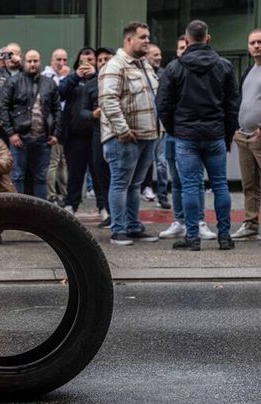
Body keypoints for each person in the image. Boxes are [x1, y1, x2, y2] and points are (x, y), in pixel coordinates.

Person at [157, 20, 239, 251]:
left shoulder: (175, 67)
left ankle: (192, 237)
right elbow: (233, 104)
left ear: (186, 40)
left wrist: (175, 129)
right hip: (215, 134)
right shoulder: (224, 66)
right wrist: (228, 133)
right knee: (221, 186)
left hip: (186, 135)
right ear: (208, 38)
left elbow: (163, 104)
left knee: (190, 186)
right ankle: (225, 236)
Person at [98, 22, 160, 246]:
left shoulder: (144, 65)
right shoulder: (115, 65)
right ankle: (119, 230)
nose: (147, 41)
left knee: (136, 184)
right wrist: (122, 131)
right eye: (142, 37)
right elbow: (108, 100)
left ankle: (133, 226)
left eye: (148, 37)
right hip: (125, 138)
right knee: (121, 183)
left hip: (147, 135)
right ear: (129, 40)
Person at [158, 35, 216, 241]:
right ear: (176, 50)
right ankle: (179, 221)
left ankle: (199, 221)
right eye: (180, 47)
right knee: (177, 181)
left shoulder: (200, 72)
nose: (184, 50)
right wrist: (171, 128)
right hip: (174, 134)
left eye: (186, 46)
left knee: (196, 180)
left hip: (192, 134)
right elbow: (163, 103)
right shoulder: (172, 71)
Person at [0, 49, 62, 200]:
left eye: (35, 61)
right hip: (20, 139)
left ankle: (41, 213)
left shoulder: (50, 83)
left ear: (41, 62)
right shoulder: (13, 81)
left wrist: (56, 134)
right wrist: (11, 133)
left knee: (41, 178)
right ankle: (17, 211)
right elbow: (3, 108)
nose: (32, 64)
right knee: (18, 176)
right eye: (29, 61)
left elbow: (57, 109)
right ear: (24, 62)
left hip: (43, 139)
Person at [57, 47, 97, 214]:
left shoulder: (101, 78)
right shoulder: (72, 79)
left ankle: (103, 207)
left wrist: (95, 75)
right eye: (82, 61)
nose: (86, 64)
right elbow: (59, 93)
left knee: (99, 174)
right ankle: (71, 204)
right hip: (74, 136)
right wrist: (75, 76)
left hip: (96, 134)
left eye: (90, 61)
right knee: (74, 173)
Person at [231, 29, 261, 241]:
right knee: (249, 184)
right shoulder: (249, 71)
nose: (256, 46)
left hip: (260, 135)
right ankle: (251, 224)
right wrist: (236, 128)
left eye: (260, 42)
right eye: (252, 43)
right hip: (244, 136)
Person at [83, 47, 116, 228]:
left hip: (118, 131)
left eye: (107, 59)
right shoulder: (90, 85)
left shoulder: (121, 78)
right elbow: (82, 111)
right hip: (98, 132)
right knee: (101, 174)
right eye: (100, 60)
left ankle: (123, 215)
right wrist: (92, 114)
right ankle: (109, 212)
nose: (103, 62)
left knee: (119, 176)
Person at [139, 43, 171, 209]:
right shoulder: (140, 75)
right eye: (155, 55)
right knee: (146, 161)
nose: (158, 57)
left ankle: (163, 195)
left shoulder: (165, 74)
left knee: (161, 162)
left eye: (159, 54)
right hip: (146, 125)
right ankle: (145, 187)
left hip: (162, 125)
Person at [42, 48, 70, 207]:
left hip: (65, 124)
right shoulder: (48, 77)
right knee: (54, 161)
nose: (62, 63)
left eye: (65, 60)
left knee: (62, 161)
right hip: (53, 125)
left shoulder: (66, 76)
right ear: (52, 60)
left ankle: (63, 193)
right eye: (58, 59)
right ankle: (52, 194)